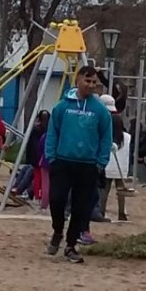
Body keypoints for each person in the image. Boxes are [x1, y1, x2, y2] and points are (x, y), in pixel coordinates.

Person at [45, 65, 112, 264]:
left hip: (88, 164)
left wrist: (101, 162)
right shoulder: (62, 107)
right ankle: (58, 230)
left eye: (94, 82)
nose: (90, 85)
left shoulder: (100, 110)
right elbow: (53, 132)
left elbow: (105, 138)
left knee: (81, 207)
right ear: (78, 80)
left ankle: (71, 245)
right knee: (56, 200)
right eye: (87, 81)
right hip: (62, 161)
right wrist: (51, 157)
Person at [101, 95, 133, 222]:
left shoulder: (106, 135)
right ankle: (122, 212)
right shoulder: (127, 137)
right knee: (121, 191)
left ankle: (101, 211)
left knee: (105, 190)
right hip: (121, 167)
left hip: (108, 165)